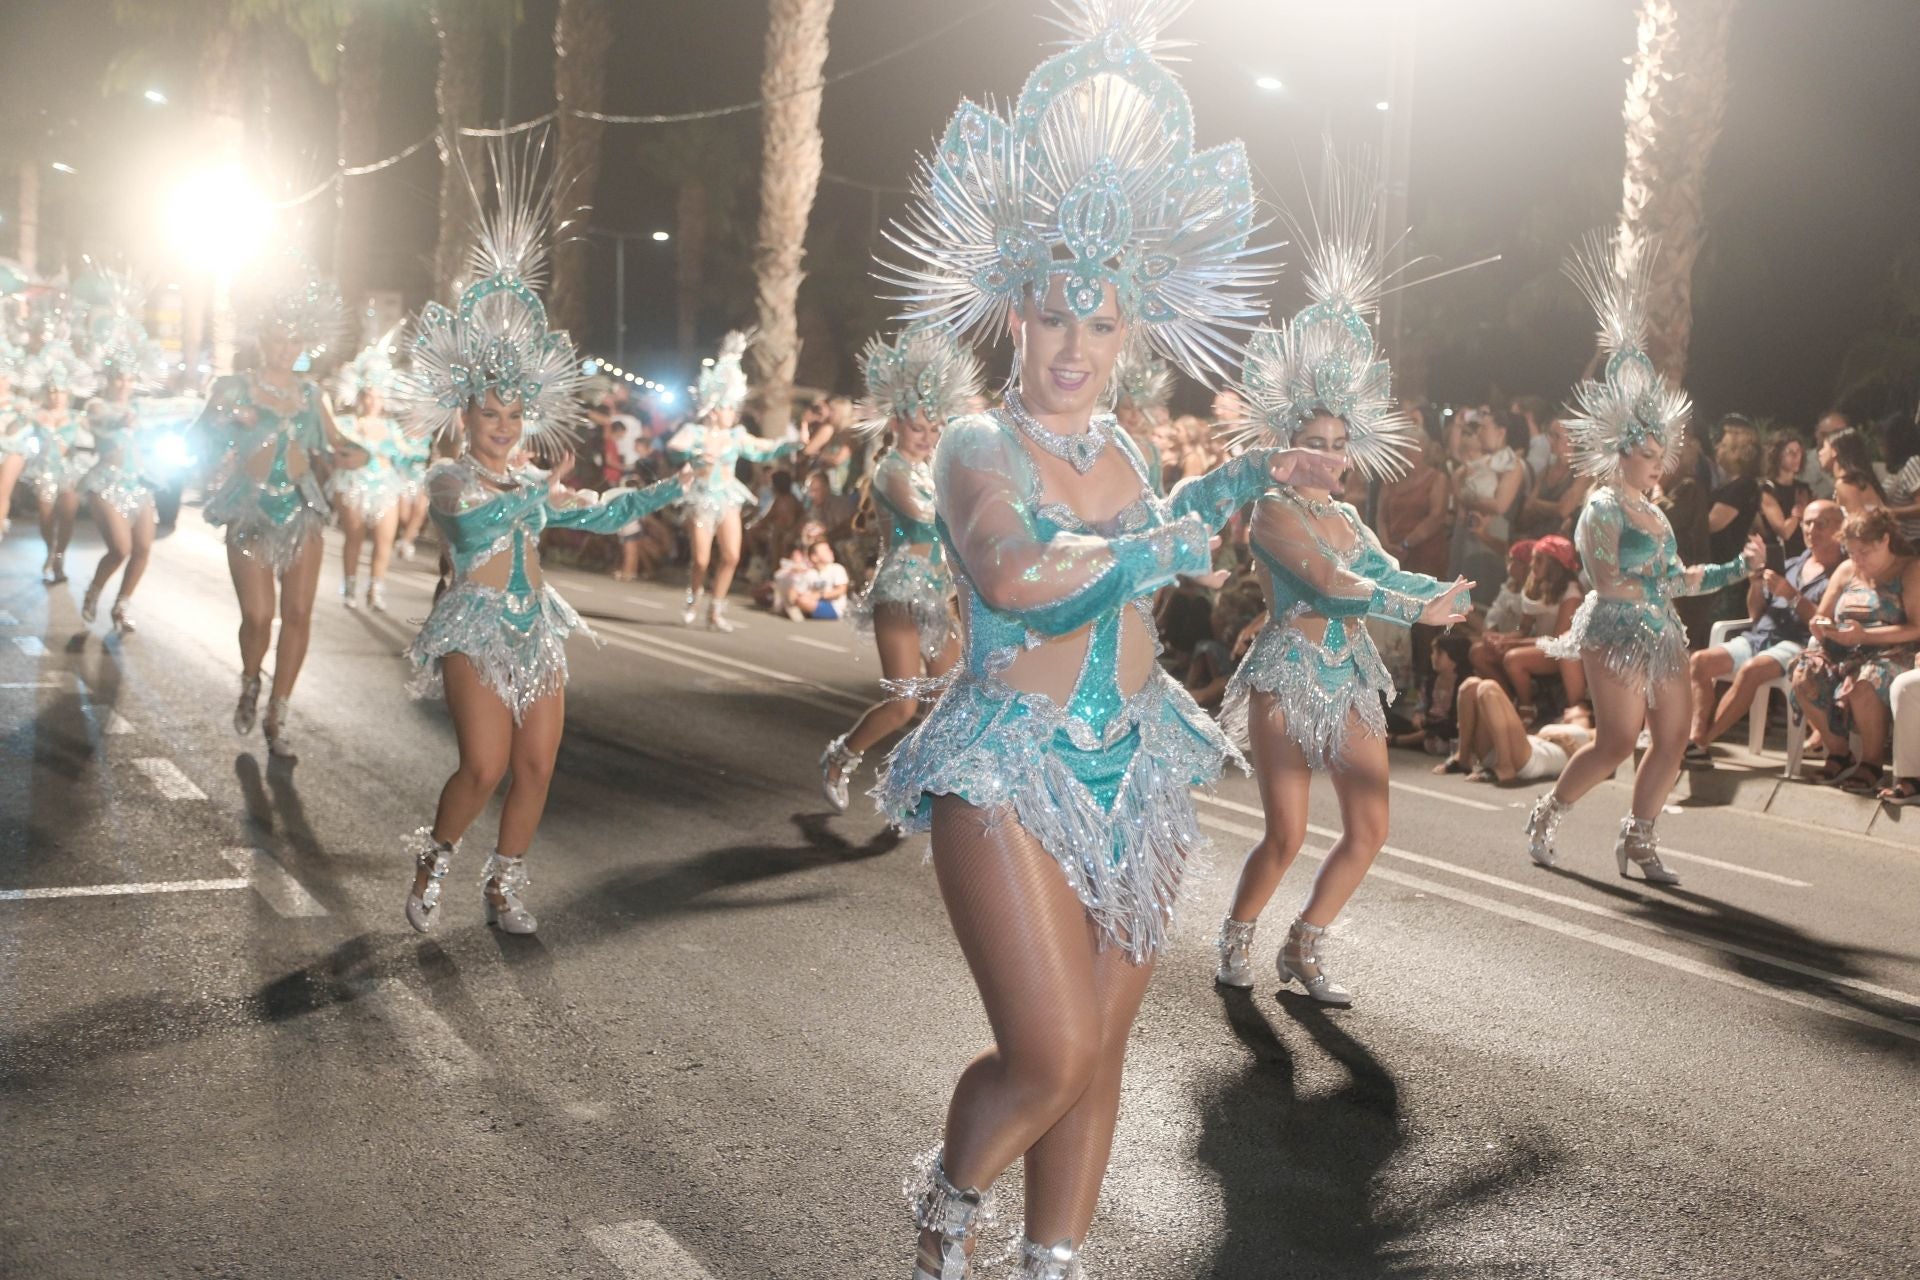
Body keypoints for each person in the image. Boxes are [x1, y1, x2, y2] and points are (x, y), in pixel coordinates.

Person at [874, 10, 1341, 1272]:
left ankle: (1053, 1259)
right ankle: (946, 1196)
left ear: (1130, 330)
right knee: (1054, 1051)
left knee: (1105, 1051)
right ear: (1014, 317)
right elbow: (1016, 573)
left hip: (1133, 770)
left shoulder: (1128, 448)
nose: (1076, 346)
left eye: (1102, 322)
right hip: (1010, 769)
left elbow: (1167, 525)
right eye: (1053, 317)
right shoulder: (980, 441)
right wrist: (1147, 550)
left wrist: (1238, 480)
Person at [394, 139, 689, 936]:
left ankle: (504, 887)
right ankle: (436, 861)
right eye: (489, 414)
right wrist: (536, 495)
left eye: (513, 415)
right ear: (465, 417)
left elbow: (593, 513)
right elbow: (479, 522)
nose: (501, 427)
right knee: (483, 765)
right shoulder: (450, 480)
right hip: (475, 628)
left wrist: (667, 489)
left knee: (536, 765)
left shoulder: (530, 482)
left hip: (537, 630)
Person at [1213, 156, 1472, 1006]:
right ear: (1287, 443)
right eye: (1313, 440)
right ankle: (1238, 934)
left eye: (1337, 441)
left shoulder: (1352, 516)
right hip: (1288, 673)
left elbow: (1377, 567)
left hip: (1350, 673)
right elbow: (1327, 582)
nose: (1327, 454)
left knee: (1371, 827)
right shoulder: (1274, 517)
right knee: (1284, 834)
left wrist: (1433, 591)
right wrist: (1411, 604)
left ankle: (1306, 944)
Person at [1526, 235, 1762, 884]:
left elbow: (1680, 577)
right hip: (1616, 630)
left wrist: (1738, 567)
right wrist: (1658, 578)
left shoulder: (1655, 514)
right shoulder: (1601, 508)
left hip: (1662, 633)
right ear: (1624, 452)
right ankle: (1549, 813)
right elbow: (1605, 576)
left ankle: (1640, 838)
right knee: (1614, 742)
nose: (1661, 463)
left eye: (1663, 454)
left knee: (1675, 740)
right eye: (1650, 453)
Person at [191, 252, 369, 759]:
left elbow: (343, 446)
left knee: (298, 613)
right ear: (259, 336)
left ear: (303, 343)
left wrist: (352, 455)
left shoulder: (314, 397)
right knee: (257, 615)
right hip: (249, 511)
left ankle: (278, 712)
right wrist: (229, 421)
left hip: (301, 512)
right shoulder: (231, 388)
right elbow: (197, 437)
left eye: (293, 338)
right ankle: (251, 679)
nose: (282, 346)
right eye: (274, 335)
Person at [819, 325, 978, 811]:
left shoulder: (939, 467)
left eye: (935, 428)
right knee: (905, 703)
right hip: (900, 595)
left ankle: (921, 786)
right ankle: (840, 756)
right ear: (896, 424)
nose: (927, 437)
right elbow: (928, 516)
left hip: (936, 595)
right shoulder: (890, 469)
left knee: (945, 703)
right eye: (917, 427)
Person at [667, 330, 823, 632]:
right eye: (727, 407)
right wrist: (698, 452)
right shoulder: (694, 432)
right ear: (713, 409)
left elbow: (763, 448)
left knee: (731, 555)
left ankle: (716, 610)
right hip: (700, 498)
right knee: (700, 560)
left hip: (727, 499)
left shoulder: (737, 436)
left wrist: (794, 445)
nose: (732, 413)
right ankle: (695, 597)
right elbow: (674, 446)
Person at [1684, 500, 1844, 767]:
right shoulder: (1791, 564)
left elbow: (1825, 622)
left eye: (1821, 524)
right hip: (1760, 636)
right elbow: (1755, 613)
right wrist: (1756, 584)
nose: (1811, 530)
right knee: (1700, 661)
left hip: (1799, 643)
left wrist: (1792, 597)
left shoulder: (1842, 573)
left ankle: (1702, 743)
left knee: (1751, 670)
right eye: (1807, 523)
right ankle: (1695, 738)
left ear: (1840, 529)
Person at [1788, 507, 1920, 795]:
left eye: (1865, 552)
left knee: (1866, 683)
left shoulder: (1908, 569)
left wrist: (1866, 635)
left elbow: (1916, 627)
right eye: (1852, 553)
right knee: (1802, 673)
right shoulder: (1847, 570)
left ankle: (1871, 762)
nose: (1857, 560)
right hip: (1844, 651)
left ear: (1884, 541)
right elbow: (1821, 616)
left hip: (1892, 650)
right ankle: (1838, 751)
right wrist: (1824, 626)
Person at [330, 330, 416, 613]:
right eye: (368, 394)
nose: (373, 401)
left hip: (385, 486)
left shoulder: (393, 428)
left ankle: (376, 590)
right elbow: (334, 450)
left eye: (378, 395)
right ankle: (350, 587)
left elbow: (409, 454)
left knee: (384, 541)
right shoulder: (347, 423)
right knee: (354, 537)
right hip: (353, 485)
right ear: (360, 395)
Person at [19, 343, 94, 583]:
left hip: (70, 472)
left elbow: (96, 436)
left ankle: (59, 558)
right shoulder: (36, 414)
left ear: (68, 393)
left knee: (68, 517)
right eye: (51, 391)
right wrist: (22, 415)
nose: (56, 395)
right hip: (44, 472)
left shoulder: (77, 418)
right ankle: (49, 550)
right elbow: (17, 433)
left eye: (60, 391)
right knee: (46, 517)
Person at [1442, 677, 1594, 783]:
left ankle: (1504, 766)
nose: (1567, 709)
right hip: (1516, 748)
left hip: (1531, 760)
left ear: (1587, 711)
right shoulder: (1557, 726)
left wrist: (1576, 753)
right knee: (1470, 685)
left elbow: (1609, 749)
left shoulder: (1590, 730)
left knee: (1488, 688)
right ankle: (1463, 757)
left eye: (1574, 707)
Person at [1375, 428, 1451, 578]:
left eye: (1415, 446)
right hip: (1392, 554)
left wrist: (1406, 544)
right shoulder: (1391, 479)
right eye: (1405, 446)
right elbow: (1381, 516)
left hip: (1425, 555)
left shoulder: (1437, 479)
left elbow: (1436, 518)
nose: (1409, 451)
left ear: (1425, 449)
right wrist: (1385, 545)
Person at [1755, 431, 1813, 561]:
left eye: (1799, 451)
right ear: (1777, 455)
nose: (1796, 456)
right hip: (1782, 557)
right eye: (1790, 452)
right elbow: (1784, 532)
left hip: (1805, 554)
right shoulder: (1767, 490)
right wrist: (1798, 510)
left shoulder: (1802, 488)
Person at [1822, 429, 1888, 516]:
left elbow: (1858, 523)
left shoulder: (1846, 484)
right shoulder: (1859, 479)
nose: (1820, 452)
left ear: (1834, 451)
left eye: (1823, 447)